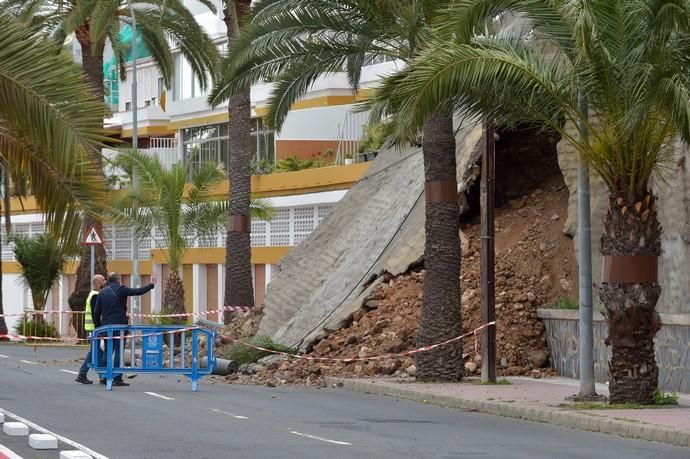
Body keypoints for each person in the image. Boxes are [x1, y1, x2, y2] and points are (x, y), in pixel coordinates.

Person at [93, 272, 156, 387]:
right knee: (118, 351)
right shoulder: (122, 290)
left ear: (108, 280)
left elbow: (96, 313)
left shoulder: (102, 293)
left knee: (107, 351)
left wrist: (98, 329)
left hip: (106, 327)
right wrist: (151, 285)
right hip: (120, 326)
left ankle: (104, 376)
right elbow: (138, 291)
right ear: (118, 280)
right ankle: (117, 378)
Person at [75, 274, 106, 384]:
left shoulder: (96, 294)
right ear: (98, 283)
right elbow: (95, 314)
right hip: (95, 328)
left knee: (99, 352)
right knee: (95, 352)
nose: (105, 281)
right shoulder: (95, 295)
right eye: (103, 280)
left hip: (94, 328)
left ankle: (102, 375)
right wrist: (99, 329)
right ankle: (82, 374)